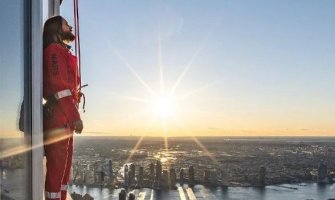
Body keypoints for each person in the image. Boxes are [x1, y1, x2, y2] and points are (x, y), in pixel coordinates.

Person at [43, 16, 83, 200]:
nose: (70, 26)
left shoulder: (62, 51)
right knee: (57, 167)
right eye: (66, 24)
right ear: (57, 28)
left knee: (64, 168)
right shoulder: (53, 51)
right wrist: (74, 115)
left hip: (65, 118)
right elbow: (59, 86)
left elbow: (67, 85)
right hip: (60, 117)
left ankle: (61, 197)